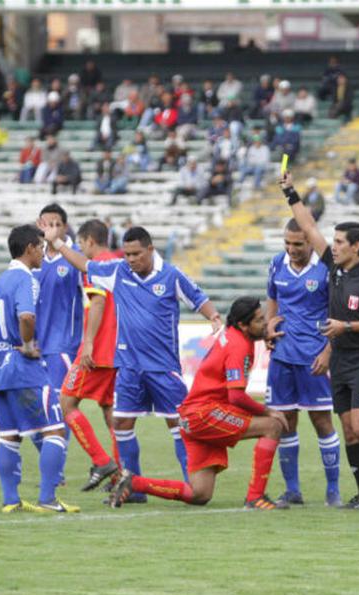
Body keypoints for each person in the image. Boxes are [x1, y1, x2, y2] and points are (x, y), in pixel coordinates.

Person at [37, 222, 221, 500]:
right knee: (122, 425)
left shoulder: (171, 276)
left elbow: (198, 298)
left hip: (163, 368)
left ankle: (192, 484)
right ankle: (132, 487)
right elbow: (85, 265)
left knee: (179, 425)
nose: (131, 259)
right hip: (129, 369)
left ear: (150, 249)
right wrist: (59, 244)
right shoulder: (118, 271)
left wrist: (215, 319)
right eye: (127, 254)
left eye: (136, 254)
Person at [281, 171, 359, 510]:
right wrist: (290, 191)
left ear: (356, 246)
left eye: (340, 242)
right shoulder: (334, 267)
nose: (332, 245)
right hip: (342, 360)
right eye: (333, 241)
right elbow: (309, 226)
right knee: (348, 431)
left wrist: (345, 327)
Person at [109, 297, 288, 510]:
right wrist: (268, 411)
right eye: (260, 320)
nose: (265, 324)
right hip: (205, 414)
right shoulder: (238, 346)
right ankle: (255, 497)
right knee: (272, 426)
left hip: (192, 418)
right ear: (243, 325)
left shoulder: (234, 336)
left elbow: (249, 342)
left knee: (199, 493)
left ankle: (134, 482)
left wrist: (265, 334)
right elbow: (236, 397)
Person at [0, 225, 78, 514]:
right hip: (21, 367)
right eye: (41, 247)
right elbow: (27, 316)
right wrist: (27, 344)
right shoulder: (26, 279)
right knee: (55, 430)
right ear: (29, 248)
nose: (44, 251)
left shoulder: (0, 281)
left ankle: (10, 500)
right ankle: (47, 498)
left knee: (9, 435)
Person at [264, 220, 341, 507]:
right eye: (287, 243)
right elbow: (272, 297)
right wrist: (270, 324)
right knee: (285, 423)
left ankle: (333, 490)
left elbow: (339, 311)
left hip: (314, 357)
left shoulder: (326, 268)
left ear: (311, 242)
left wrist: (328, 352)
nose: (291, 249)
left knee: (322, 421)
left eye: (298, 244)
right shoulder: (276, 264)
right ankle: (292, 490)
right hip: (282, 355)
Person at [59, 219, 122, 492]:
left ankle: (101, 461)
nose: (82, 249)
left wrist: (88, 344)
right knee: (112, 412)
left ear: (90, 242)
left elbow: (97, 303)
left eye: (82, 244)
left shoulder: (96, 267)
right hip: (119, 350)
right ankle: (123, 475)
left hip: (98, 350)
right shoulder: (121, 263)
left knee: (67, 403)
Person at [32, 204, 85, 468]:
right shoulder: (32, 259)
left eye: (55, 224)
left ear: (64, 227)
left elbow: (93, 294)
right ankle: (50, 458)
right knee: (27, 411)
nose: (50, 229)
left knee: (57, 407)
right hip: (32, 347)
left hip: (62, 346)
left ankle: (56, 467)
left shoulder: (74, 257)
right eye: (45, 224)